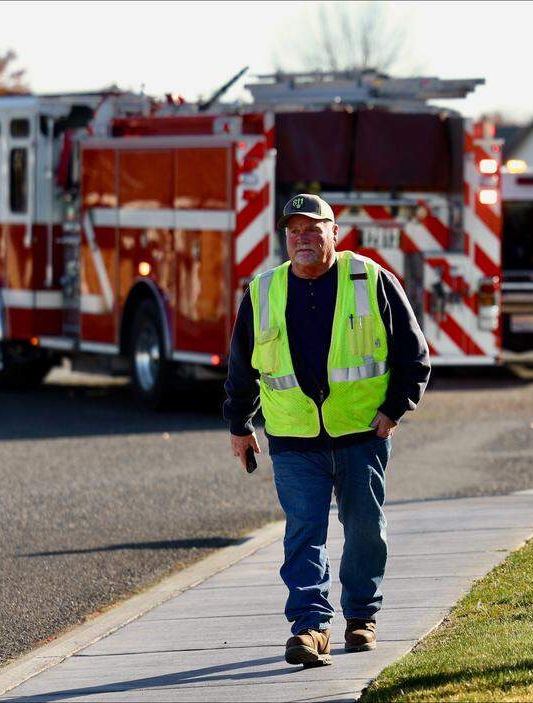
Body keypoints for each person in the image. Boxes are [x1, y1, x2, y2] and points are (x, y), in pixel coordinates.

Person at [224, 194, 430, 667]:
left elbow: (413, 356)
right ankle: (310, 627)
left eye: (313, 229)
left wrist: (394, 410)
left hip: (361, 435)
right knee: (303, 533)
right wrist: (238, 424)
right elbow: (242, 368)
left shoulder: (372, 279)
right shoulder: (262, 291)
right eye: (294, 231)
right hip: (294, 440)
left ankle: (361, 616)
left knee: (363, 531)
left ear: (335, 232)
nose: (303, 238)